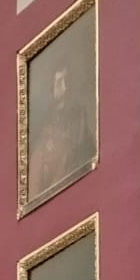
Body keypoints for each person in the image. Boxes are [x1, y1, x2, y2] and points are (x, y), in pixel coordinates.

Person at [29, 62, 94, 200]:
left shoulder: (78, 113)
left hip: (66, 171)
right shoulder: (44, 116)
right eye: (59, 81)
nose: (63, 86)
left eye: (66, 80)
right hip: (43, 172)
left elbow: (79, 146)